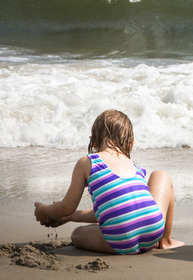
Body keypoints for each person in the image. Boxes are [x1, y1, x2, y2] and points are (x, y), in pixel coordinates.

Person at [34, 109, 184, 254]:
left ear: (93, 142)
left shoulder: (88, 162)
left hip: (120, 241)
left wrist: (44, 211)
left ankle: (154, 240)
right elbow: (116, 210)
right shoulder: (136, 167)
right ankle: (165, 241)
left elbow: (66, 207)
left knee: (77, 234)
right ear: (130, 145)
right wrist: (71, 217)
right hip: (153, 232)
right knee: (161, 174)